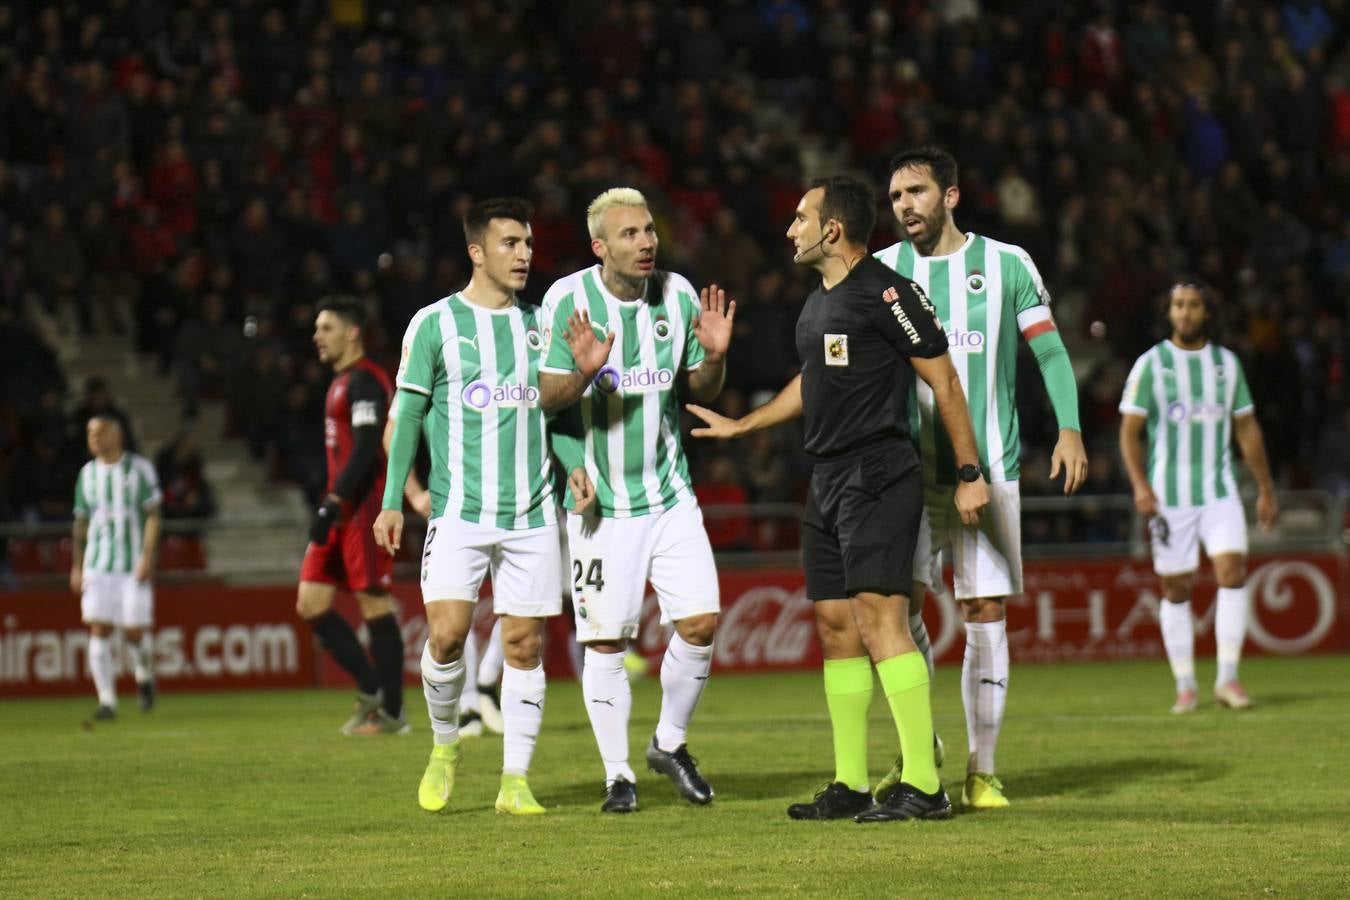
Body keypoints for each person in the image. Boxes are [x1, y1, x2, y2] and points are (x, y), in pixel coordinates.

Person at [687, 175, 988, 823]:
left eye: (800, 218)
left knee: (882, 622)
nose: (789, 229)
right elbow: (813, 382)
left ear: (832, 229)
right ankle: (851, 781)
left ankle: (924, 787)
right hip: (826, 478)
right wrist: (746, 424)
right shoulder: (820, 302)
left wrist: (969, 471)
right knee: (834, 627)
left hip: (878, 470)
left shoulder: (886, 290)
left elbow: (944, 380)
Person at [872, 147, 1089, 811]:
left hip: (988, 469)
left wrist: (1071, 427)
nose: (905, 205)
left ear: (952, 195)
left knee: (984, 610)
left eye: (916, 191)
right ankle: (919, 750)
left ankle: (982, 769)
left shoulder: (1006, 264)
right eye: (896, 196)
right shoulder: (882, 270)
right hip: (908, 474)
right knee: (896, 613)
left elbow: (1048, 349)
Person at [374, 197, 597, 817]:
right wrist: (394, 501)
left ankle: (515, 780)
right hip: (459, 512)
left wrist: (574, 463)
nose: (524, 254)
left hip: (531, 514)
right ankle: (445, 746)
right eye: (510, 244)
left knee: (524, 647)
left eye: (527, 243)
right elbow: (410, 416)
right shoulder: (433, 324)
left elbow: (557, 411)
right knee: (445, 637)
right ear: (477, 252)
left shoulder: (541, 324)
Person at [537, 187, 732, 814]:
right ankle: (617, 774)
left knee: (701, 623)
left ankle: (669, 744)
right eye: (630, 234)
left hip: (670, 494)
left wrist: (717, 358)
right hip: (601, 508)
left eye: (649, 230)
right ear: (600, 247)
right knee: (606, 644)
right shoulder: (566, 301)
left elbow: (698, 384)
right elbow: (545, 401)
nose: (646, 242)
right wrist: (586, 379)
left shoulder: (676, 295)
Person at [1118, 279, 1278, 713]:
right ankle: (1186, 684)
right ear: (1169, 313)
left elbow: (1247, 429)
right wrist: (1140, 485)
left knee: (1232, 571)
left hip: (1219, 489)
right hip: (1169, 495)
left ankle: (1228, 678)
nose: (1185, 313)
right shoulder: (1151, 364)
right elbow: (1130, 432)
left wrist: (1265, 488)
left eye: (1192, 306)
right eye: (1178, 305)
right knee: (1176, 588)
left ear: (1207, 313)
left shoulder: (1227, 365)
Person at [296, 295, 407, 736]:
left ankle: (393, 713)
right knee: (310, 603)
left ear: (352, 332)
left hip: (360, 510)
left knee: (372, 602)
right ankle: (371, 688)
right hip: (341, 510)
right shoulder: (342, 381)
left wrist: (333, 502)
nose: (317, 336)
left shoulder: (366, 381)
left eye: (326, 328)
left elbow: (366, 448)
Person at [71, 415, 161, 719]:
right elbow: (81, 522)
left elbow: (153, 514)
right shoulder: (87, 475)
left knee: (134, 630)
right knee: (99, 628)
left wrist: (148, 557)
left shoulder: (139, 469)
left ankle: (144, 675)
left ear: (117, 435)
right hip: (97, 564)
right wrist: (76, 565)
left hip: (132, 564)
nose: (94, 437)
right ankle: (107, 700)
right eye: (90, 433)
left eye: (100, 432)